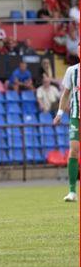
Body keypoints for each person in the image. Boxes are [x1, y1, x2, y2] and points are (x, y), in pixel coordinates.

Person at [54, 63, 79, 202]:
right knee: (74, 150)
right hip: (76, 116)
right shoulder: (72, 70)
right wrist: (59, 113)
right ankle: (72, 191)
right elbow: (65, 94)